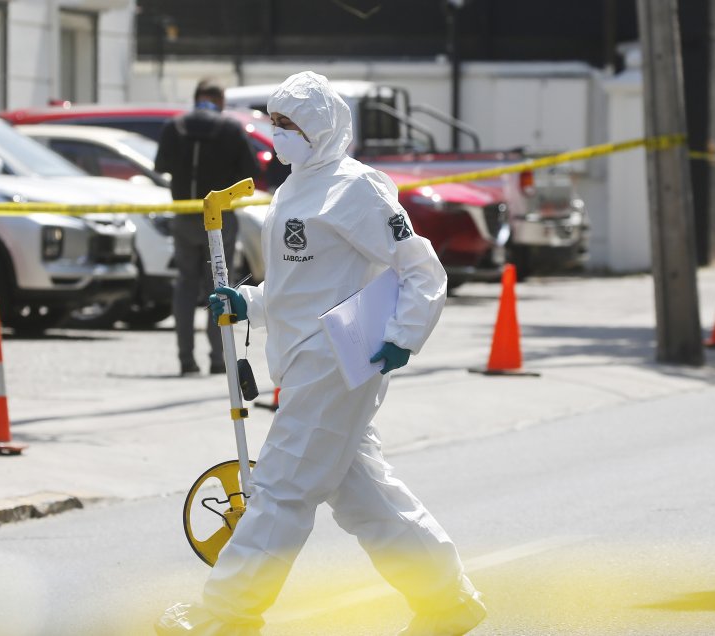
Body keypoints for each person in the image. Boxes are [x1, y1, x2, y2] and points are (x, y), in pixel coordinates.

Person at [156, 72, 486, 635]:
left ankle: (225, 617)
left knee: (280, 491)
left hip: (338, 356)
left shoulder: (357, 187)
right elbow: (300, 287)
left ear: (321, 127)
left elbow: (421, 269)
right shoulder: (292, 188)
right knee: (366, 499)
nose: (277, 135)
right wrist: (249, 302)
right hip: (308, 358)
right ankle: (446, 602)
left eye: (289, 125)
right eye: (273, 123)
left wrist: (404, 336)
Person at [155, 80, 261, 376]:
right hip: (219, 217)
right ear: (218, 99)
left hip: (184, 214)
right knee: (220, 285)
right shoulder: (230, 129)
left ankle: (186, 360)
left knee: (185, 284)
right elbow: (251, 171)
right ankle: (219, 358)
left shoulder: (174, 127)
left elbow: (161, 164)